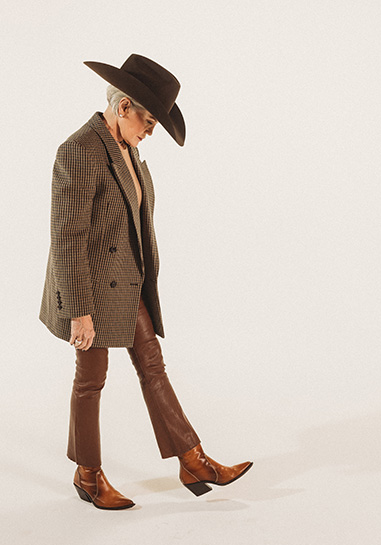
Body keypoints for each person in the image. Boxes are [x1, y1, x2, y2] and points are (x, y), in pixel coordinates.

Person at [40, 53, 253, 510]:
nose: (151, 130)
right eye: (149, 119)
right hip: (90, 291)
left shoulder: (129, 150)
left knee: (153, 366)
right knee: (91, 380)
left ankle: (192, 459)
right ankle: (88, 475)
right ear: (123, 108)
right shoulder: (79, 150)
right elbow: (67, 237)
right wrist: (78, 309)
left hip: (127, 284)